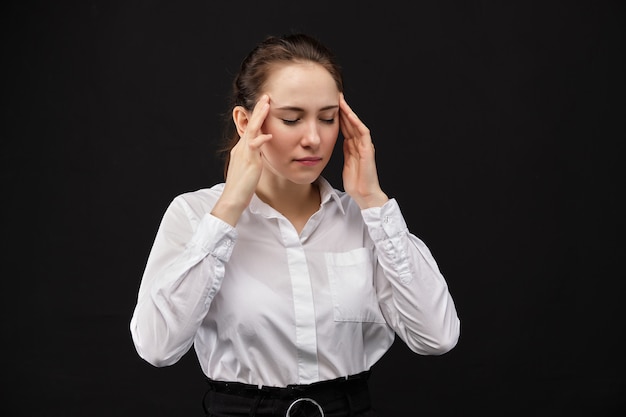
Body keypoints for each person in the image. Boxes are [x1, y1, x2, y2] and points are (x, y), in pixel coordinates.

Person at [130, 32, 461, 417]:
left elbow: (437, 337)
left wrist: (373, 201)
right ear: (245, 121)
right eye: (291, 119)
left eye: (328, 118)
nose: (313, 139)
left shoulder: (367, 222)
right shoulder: (193, 215)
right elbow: (157, 347)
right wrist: (229, 209)